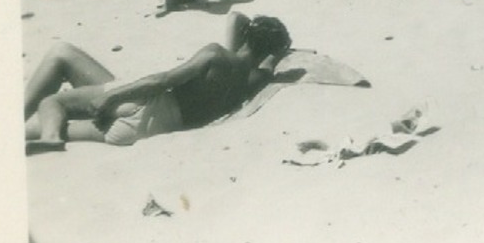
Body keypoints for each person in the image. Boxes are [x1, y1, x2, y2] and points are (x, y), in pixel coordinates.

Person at [23, 11, 292, 153]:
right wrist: (277, 51)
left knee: (54, 92)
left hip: (146, 101)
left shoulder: (215, 54)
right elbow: (270, 59)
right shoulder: (256, 79)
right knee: (50, 123)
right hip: (151, 130)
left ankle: (47, 135)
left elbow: (160, 81)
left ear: (246, 36)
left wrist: (111, 96)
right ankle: (51, 135)